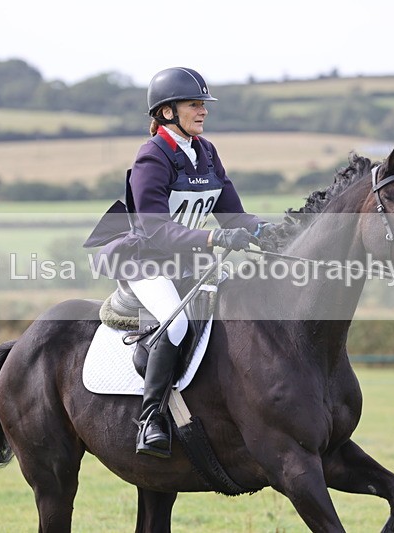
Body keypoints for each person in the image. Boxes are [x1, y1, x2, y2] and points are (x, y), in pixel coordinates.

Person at [85, 67, 275, 458]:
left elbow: (234, 216)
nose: (203, 111)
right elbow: (156, 230)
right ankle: (150, 420)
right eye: (194, 104)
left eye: (203, 104)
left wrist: (269, 230)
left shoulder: (206, 153)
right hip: (147, 262)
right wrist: (213, 237)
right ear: (168, 111)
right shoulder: (152, 158)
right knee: (175, 324)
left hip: (191, 263)